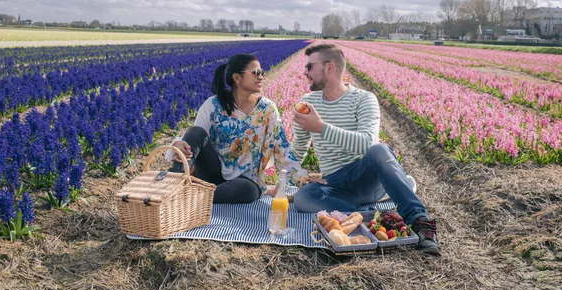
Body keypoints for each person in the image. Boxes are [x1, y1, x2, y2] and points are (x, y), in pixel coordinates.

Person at [290, 44, 441, 255]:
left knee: (379, 149)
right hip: (334, 183)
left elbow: (366, 144)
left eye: (309, 66)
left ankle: (419, 221)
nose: (305, 72)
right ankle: (371, 214)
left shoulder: (364, 99)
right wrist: (285, 179)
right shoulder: (307, 103)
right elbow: (298, 148)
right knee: (303, 198)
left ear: (329, 67)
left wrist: (321, 127)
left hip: (366, 177)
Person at [167, 54, 305, 204]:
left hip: (245, 182)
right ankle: (171, 189)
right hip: (212, 174)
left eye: (262, 73)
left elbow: (282, 148)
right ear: (237, 78)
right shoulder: (213, 105)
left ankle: (192, 197)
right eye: (255, 73)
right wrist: (178, 146)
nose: (261, 77)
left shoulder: (267, 109)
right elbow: (196, 138)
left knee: (247, 189)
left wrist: (301, 179)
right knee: (195, 132)